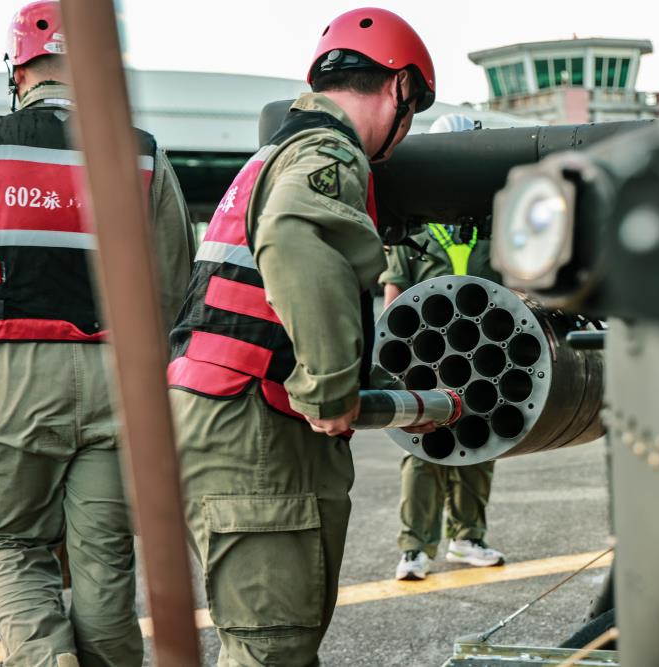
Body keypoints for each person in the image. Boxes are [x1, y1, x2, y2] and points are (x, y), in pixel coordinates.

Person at [167, 7, 435, 665]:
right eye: (413, 111)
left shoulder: (274, 153)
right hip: (253, 428)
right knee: (272, 647)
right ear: (400, 88)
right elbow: (293, 233)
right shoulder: (329, 152)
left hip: (225, 408)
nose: (404, 136)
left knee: (271, 638)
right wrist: (330, 390)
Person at [0, 2, 194, 665]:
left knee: (11, 548)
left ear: (18, 70)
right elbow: (173, 288)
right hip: (119, 395)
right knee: (104, 571)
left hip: (16, 388)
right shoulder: (142, 156)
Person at [381, 114, 506, 580]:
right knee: (421, 451)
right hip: (424, 358)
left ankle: (468, 538)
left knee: (479, 447)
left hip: (487, 355)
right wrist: (388, 358)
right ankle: (415, 547)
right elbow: (394, 295)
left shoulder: (493, 225)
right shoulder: (410, 230)